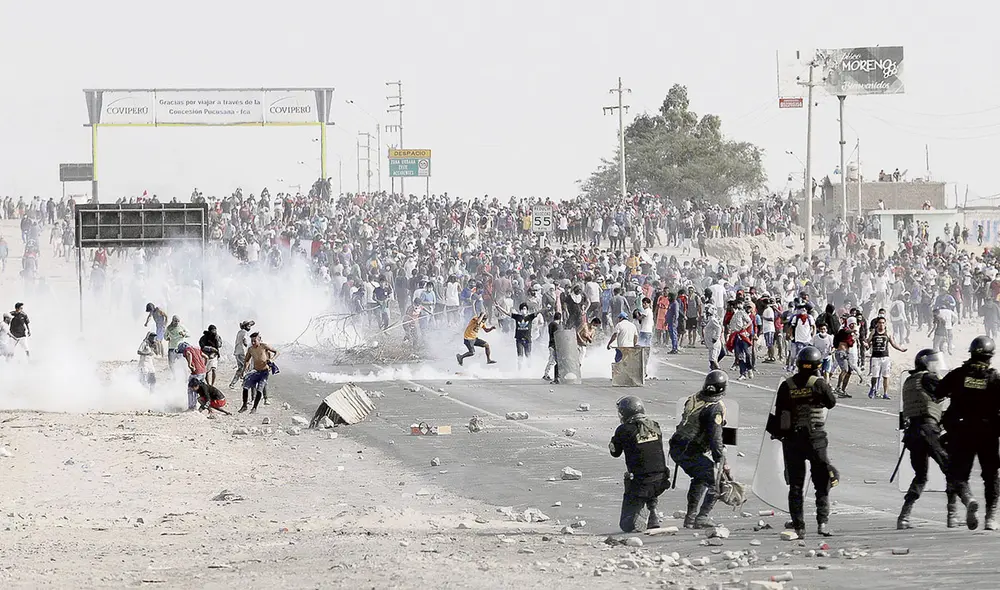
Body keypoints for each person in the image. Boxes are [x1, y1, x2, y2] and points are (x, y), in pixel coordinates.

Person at [767, 346, 837, 538]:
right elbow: (831, 402)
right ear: (818, 365)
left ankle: (799, 527)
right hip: (816, 440)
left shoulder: (786, 385)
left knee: (796, 486)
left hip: (792, 442)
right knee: (822, 483)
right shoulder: (819, 384)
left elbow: (779, 412)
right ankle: (822, 523)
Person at [936, 335, 999, 530]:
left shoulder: (959, 374)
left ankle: (965, 501)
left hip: (961, 430)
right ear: (990, 356)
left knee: (958, 474)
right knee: (991, 476)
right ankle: (990, 517)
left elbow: (938, 392)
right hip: (988, 432)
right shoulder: (994, 377)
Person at [897, 349, 960, 529]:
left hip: (912, 434)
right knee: (951, 469)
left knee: (921, 476)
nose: (936, 365)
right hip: (928, 431)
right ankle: (952, 514)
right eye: (933, 362)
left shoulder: (910, 381)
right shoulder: (928, 378)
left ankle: (904, 516)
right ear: (925, 363)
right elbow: (946, 391)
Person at [669, 370, 728, 528]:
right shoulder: (715, 408)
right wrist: (721, 460)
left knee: (700, 477)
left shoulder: (693, 398)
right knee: (717, 481)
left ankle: (690, 518)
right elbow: (715, 438)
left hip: (676, 447)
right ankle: (702, 517)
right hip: (690, 450)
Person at [609, 395, 669, 533]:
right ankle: (652, 510)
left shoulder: (624, 430)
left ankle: (636, 515)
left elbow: (615, 452)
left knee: (626, 525)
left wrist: (615, 440)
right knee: (650, 469)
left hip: (640, 484)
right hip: (662, 480)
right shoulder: (654, 425)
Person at [867, 316, 907, 399]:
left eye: (883, 323)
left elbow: (893, 343)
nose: (881, 325)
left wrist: (901, 349)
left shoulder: (888, 333)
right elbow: (868, 342)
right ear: (877, 324)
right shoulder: (874, 332)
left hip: (885, 357)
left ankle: (885, 393)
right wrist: (865, 344)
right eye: (880, 323)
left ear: (885, 324)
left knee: (886, 376)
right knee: (875, 376)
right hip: (875, 357)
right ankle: (873, 388)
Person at [240, 332, 279, 414]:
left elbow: (277, 352)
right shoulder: (250, 349)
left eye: (255, 341)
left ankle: (254, 407)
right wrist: (244, 370)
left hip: (264, 372)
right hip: (255, 371)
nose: (253, 343)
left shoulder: (264, 346)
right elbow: (247, 360)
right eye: (252, 341)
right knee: (245, 387)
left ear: (259, 340)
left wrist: (272, 359)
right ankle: (244, 406)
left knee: (259, 390)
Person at [498, 302, 537, 369]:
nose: (523, 310)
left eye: (524, 308)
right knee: (520, 356)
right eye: (522, 309)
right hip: (519, 340)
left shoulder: (530, 317)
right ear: (520, 310)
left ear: (527, 310)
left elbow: (538, 312)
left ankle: (529, 369)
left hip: (528, 340)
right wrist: (498, 307)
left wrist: (545, 308)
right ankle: (520, 370)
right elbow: (507, 313)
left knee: (528, 355)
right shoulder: (517, 317)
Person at [177, 342, 207, 409]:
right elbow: (206, 357)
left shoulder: (187, 349)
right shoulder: (197, 348)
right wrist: (204, 365)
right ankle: (199, 405)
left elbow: (189, 353)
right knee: (199, 389)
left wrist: (189, 364)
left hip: (196, 373)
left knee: (191, 389)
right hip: (203, 372)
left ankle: (192, 407)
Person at [228, 320, 254, 389]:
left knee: (240, 369)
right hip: (243, 352)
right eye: (248, 326)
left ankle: (232, 384)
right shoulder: (245, 332)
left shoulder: (239, 332)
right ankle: (247, 384)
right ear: (245, 326)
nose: (250, 327)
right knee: (247, 368)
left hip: (237, 352)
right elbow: (245, 341)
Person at [543, 312, 562, 383]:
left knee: (553, 360)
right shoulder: (556, 325)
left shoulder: (550, 324)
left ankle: (552, 375)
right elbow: (558, 336)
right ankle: (546, 374)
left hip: (551, 344)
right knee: (552, 360)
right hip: (554, 345)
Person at [703, 305, 723, 371]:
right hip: (710, 343)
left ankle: (719, 371)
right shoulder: (710, 320)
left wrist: (716, 337)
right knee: (712, 360)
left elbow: (719, 328)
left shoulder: (713, 320)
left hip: (714, 343)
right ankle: (713, 371)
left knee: (713, 359)